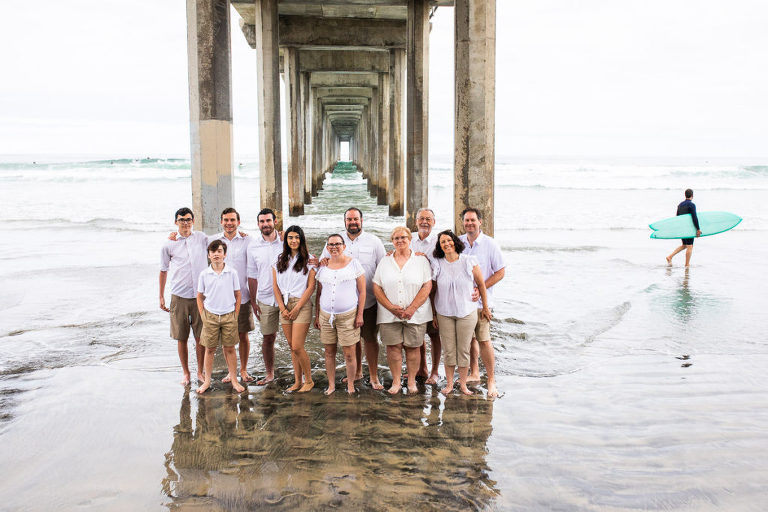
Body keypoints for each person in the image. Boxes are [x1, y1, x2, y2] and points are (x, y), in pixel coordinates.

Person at [320, 207, 386, 389]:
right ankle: (357, 372)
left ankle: (374, 376)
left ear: (362, 220)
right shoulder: (336, 241)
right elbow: (323, 263)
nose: (353, 222)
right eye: (349, 219)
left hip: (369, 299)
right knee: (352, 341)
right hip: (346, 304)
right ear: (345, 222)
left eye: (356, 219)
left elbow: (383, 267)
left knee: (370, 338)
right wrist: (319, 261)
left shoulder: (374, 241)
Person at [373, 227, 433, 394]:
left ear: (410, 239)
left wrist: (412, 308)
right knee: (393, 348)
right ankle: (396, 382)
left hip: (416, 314)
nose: (400, 241)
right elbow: (376, 286)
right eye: (396, 238)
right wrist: (391, 307)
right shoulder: (385, 261)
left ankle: (412, 381)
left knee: (413, 347)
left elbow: (427, 285)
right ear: (392, 241)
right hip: (388, 314)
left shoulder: (421, 260)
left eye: (403, 237)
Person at [431, 230, 491, 396]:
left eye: (449, 240)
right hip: (444, 312)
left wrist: (485, 307)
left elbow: (481, 285)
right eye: (443, 242)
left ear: (455, 242)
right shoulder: (437, 264)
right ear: (440, 246)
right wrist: (434, 314)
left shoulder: (468, 261)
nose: (447, 244)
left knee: (464, 349)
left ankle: (463, 385)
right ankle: (450, 384)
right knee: (449, 350)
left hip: (466, 312)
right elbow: (433, 291)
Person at [159, 207, 208, 386]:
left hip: (200, 296)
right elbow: (163, 270)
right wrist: (161, 296)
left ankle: (200, 371)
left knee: (201, 337)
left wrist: (241, 234)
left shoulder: (201, 238)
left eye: (188, 219)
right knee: (181, 337)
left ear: (193, 221)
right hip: (179, 295)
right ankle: (186, 373)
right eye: (181, 220)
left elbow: (222, 241)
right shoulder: (168, 244)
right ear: (176, 222)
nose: (185, 223)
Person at [459, 208, 504, 398]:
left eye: (473, 220)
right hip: (462, 303)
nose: (469, 223)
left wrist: (481, 287)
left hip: (481, 303)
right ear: (463, 222)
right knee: (470, 339)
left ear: (480, 222)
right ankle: (474, 372)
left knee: (484, 339)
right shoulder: (458, 242)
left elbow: (500, 272)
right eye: (466, 220)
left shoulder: (490, 244)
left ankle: (491, 380)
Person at [315, 234, 366, 395]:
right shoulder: (323, 266)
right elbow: (319, 293)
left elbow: (362, 291)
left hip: (348, 316)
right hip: (326, 316)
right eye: (331, 245)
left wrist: (360, 315)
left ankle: (350, 385)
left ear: (344, 246)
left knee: (349, 354)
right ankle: (331, 385)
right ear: (327, 247)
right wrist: (317, 316)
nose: (334, 247)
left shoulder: (354, 264)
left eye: (337, 244)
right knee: (329, 352)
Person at [209, 208, 255, 384]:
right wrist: (174, 235)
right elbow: (192, 240)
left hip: (242, 296)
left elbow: (265, 246)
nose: (229, 223)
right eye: (226, 220)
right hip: (221, 299)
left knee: (243, 335)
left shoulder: (248, 240)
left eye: (232, 220)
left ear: (238, 222)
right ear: (221, 222)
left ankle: (243, 369)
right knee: (227, 339)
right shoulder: (213, 240)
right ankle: (231, 372)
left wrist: (280, 235)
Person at [195, 240, 245, 394]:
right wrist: (203, 315)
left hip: (229, 315)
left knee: (230, 348)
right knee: (210, 349)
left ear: (225, 254)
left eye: (219, 251)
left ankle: (234, 380)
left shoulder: (232, 273)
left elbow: (238, 294)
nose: (216, 254)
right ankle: (207, 381)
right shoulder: (204, 274)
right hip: (210, 316)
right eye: (213, 251)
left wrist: (235, 314)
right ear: (209, 255)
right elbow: (199, 296)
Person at [272, 226, 317, 393]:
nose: (293, 240)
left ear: (301, 239)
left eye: (297, 237)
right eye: (290, 237)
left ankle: (309, 380)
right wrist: (282, 308)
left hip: (301, 304)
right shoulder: (279, 259)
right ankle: (298, 381)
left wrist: (297, 307)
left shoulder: (310, 260)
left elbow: (311, 287)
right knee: (292, 346)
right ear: (286, 240)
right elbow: (275, 286)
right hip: (284, 305)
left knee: (298, 346)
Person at [246, 208, 284, 385]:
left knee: (293, 339)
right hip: (265, 297)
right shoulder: (253, 246)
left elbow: (303, 257)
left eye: (268, 220)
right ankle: (270, 373)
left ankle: (299, 376)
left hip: (287, 297)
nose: (265, 224)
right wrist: (253, 302)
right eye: (262, 221)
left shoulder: (285, 241)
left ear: (275, 221)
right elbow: (252, 276)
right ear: (258, 224)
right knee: (268, 337)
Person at [409, 208, 442, 385]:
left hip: (435, 290)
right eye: (421, 218)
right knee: (418, 332)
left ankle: (435, 371)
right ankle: (422, 368)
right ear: (416, 221)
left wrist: (425, 261)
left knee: (434, 333)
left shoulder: (439, 241)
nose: (424, 222)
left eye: (428, 219)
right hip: (414, 291)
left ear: (434, 222)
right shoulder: (409, 239)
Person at [666, 189, 702, 267]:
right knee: (690, 246)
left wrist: (678, 228)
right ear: (692, 196)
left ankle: (670, 256)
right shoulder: (692, 205)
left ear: (685, 195)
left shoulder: (680, 205)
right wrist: (698, 229)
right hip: (688, 229)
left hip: (682, 228)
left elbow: (677, 218)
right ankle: (687, 264)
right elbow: (694, 217)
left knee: (685, 245)